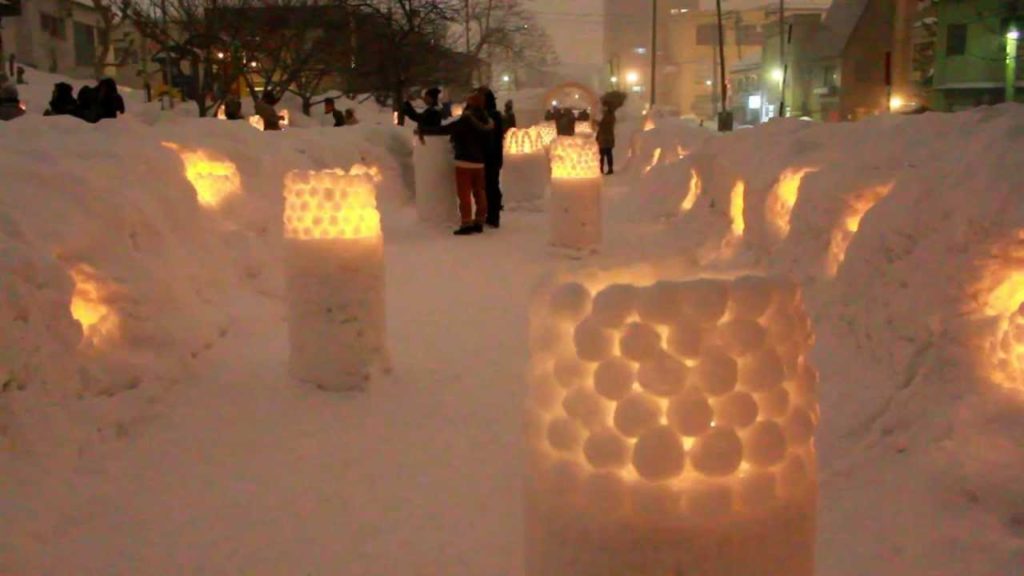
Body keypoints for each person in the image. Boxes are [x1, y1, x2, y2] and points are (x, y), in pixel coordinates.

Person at [418, 92, 494, 236]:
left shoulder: (467, 119)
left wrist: (426, 130)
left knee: (464, 194)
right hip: (480, 163)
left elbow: (448, 129)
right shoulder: (487, 121)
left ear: (471, 103)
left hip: (464, 161)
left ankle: (466, 223)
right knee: (480, 192)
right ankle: (479, 221)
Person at [480, 87, 505, 228]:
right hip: (493, 155)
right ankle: (492, 214)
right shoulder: (495, 115)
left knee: (490, 185)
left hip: (489, 156)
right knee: (491, 185)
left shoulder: (490, 116)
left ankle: (493, 216)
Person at [596, 104, 617, 175]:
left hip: (604, 138)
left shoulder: (607, 117)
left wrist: (597, 123)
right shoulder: (612, 116)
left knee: (602, 154)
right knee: (608, 154)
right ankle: (609, 168)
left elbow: (603, 126)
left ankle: (602, 168)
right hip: (608, 138)